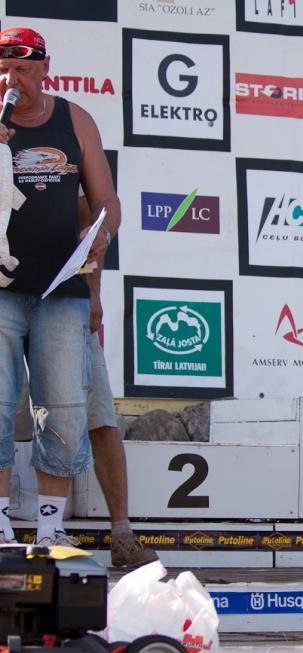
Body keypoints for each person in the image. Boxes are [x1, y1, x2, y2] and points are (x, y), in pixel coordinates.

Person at [0, 26, 120, 547]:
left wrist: (102, 237)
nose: (12, 80)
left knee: (65, 410)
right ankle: (1, 524)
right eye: (4, 70)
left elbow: (105, 201)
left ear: (45, 70)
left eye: (23, 70)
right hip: (1, 289)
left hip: (62, 289)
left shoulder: (75, 119)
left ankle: (50, 528)